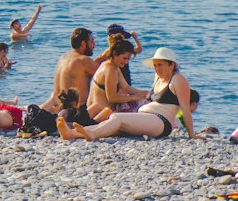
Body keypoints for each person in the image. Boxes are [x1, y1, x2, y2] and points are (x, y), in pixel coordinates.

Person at [59, 47, 202, 141]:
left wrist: (191, 134)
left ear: (171, 65)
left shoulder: (178, 80)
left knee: (117, 118)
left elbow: (185, 108)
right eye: (155, 65)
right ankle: (72, 134)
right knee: (114, 125)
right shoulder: (158, 77)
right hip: (147, 117)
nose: (157, 68)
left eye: (161, 65)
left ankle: (92, 134)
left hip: (161, 122)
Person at [87, 36, 149, 118]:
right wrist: (134, 97)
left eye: (128, 59)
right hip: (101, 113)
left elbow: (126, 88)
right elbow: (112, 98)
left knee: (145, 99)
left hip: (97, 109)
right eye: (124, 58)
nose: (126, 62)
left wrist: (144, 93)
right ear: (115, 54)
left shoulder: (111, 65)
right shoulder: (110, 70)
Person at [41, 28, 98, 114]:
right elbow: (105, 74)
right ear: (83, 44)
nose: (94, 45)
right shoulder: (84, 60)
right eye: (92, 42)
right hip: (77, 111)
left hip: (59, 109)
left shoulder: (63, 58)